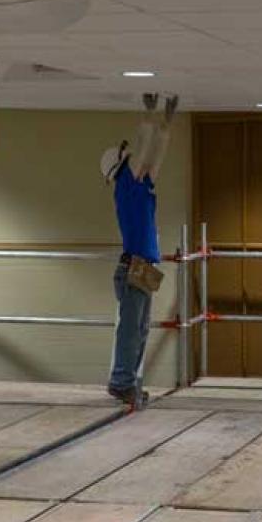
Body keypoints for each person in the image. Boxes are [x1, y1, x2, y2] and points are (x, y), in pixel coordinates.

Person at [100, 92, 178, 406]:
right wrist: (149, 117)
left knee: (140, 329)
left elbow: (153, 158)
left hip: (141, 268)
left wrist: (166, 125)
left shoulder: (140, 186)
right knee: (131, 331)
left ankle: (127, 381)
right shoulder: (127, 188)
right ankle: (121, 381)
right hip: (133, 268)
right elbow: (144, 153)